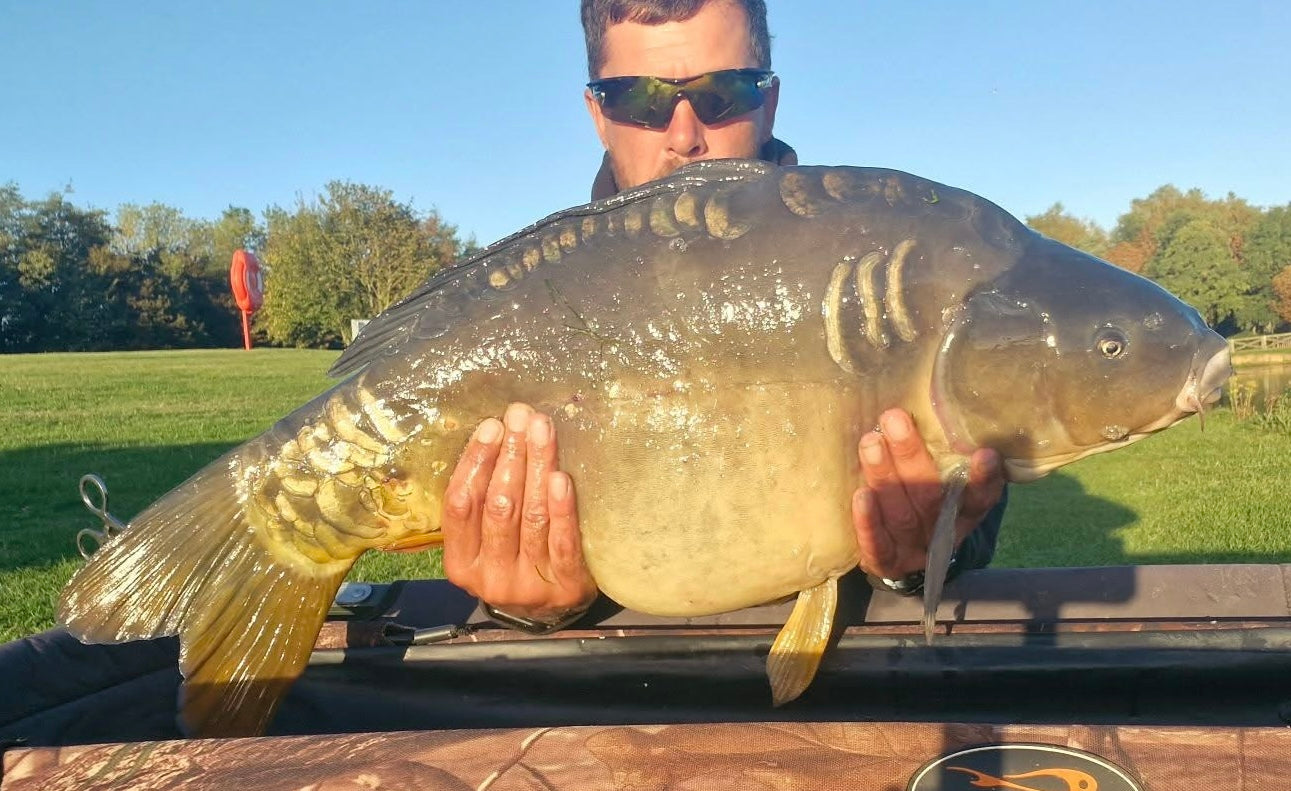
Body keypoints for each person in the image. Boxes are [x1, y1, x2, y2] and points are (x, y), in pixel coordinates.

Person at [442, 0, 1008, 632]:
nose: (685, 135)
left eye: (723, 94)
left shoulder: (884, 271)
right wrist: (526, 607)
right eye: (640, 101)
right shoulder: (521, 304)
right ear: (598, 114)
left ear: (768, 102)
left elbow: (973, 492)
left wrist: (919, 558)